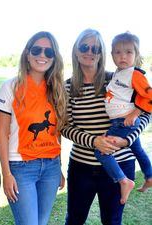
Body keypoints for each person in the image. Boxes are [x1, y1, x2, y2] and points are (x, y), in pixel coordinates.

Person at [61, 28, 151, 225]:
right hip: (81, 167)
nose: (90, 51)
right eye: (85, 46)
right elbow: (64, 127)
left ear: (102, 53)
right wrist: (94, 141)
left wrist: (127, 139)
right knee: (74, 220)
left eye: (96, 48)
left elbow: (146, 112)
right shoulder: (67, 87)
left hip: (120, 164)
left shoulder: (120, 79)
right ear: (76, 51)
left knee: (112, 221)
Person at [0, 31, 66, 225]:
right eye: (37, 50)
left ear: (54, 57)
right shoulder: (10, 86)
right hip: (20, 167)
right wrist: (7, 173)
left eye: (48, 52)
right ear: (27, 53)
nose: (42, 55)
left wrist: (58, 167)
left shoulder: (57, 89)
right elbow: (1, 133)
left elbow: (56, 133)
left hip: (50, 167)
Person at [94, 32, 152, 202]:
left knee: (101, 151)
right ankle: (149, 175)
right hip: (120, 120)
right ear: (111, 55)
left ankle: (123, 181)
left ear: (136, 54)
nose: (123, 56)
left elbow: (149, 96)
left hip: (124, 121)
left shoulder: (135, 74)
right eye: (118, 52)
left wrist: (135, 113)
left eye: (128, 52)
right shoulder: (118, 74)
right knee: (137, 149)